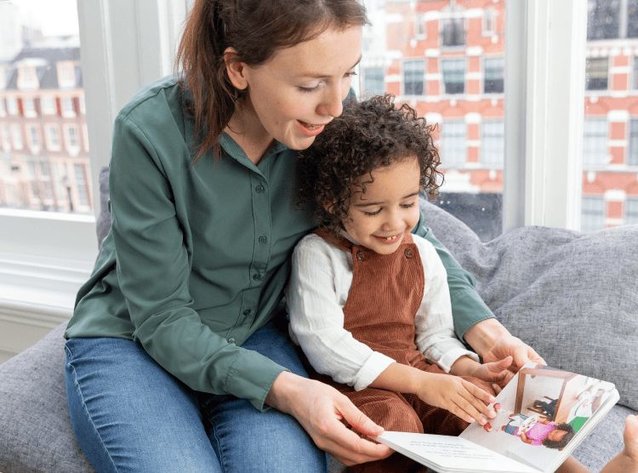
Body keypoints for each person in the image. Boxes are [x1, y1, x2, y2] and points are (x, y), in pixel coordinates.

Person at [61, 0, 573, 472]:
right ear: (238, 68)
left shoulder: (331, 122)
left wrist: (485, 330)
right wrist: (290, 391)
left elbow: (415, 239)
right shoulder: (148, 131)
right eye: (310, 85)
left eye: (346, 74)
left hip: (254, 332)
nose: (335, 104)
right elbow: (164, 318)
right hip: (132, 341)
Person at [287, 94, 515, 472]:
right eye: (374, 210)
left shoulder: (423, 254)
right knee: (396, 427)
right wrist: (422, 384)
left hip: (419, 373)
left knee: (480, 415)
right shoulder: (317, 255)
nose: (394, 223)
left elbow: (434, 337)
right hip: (356, 388)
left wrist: (466, 370)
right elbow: (325, 345)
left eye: (408, 204)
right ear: (331, 200)